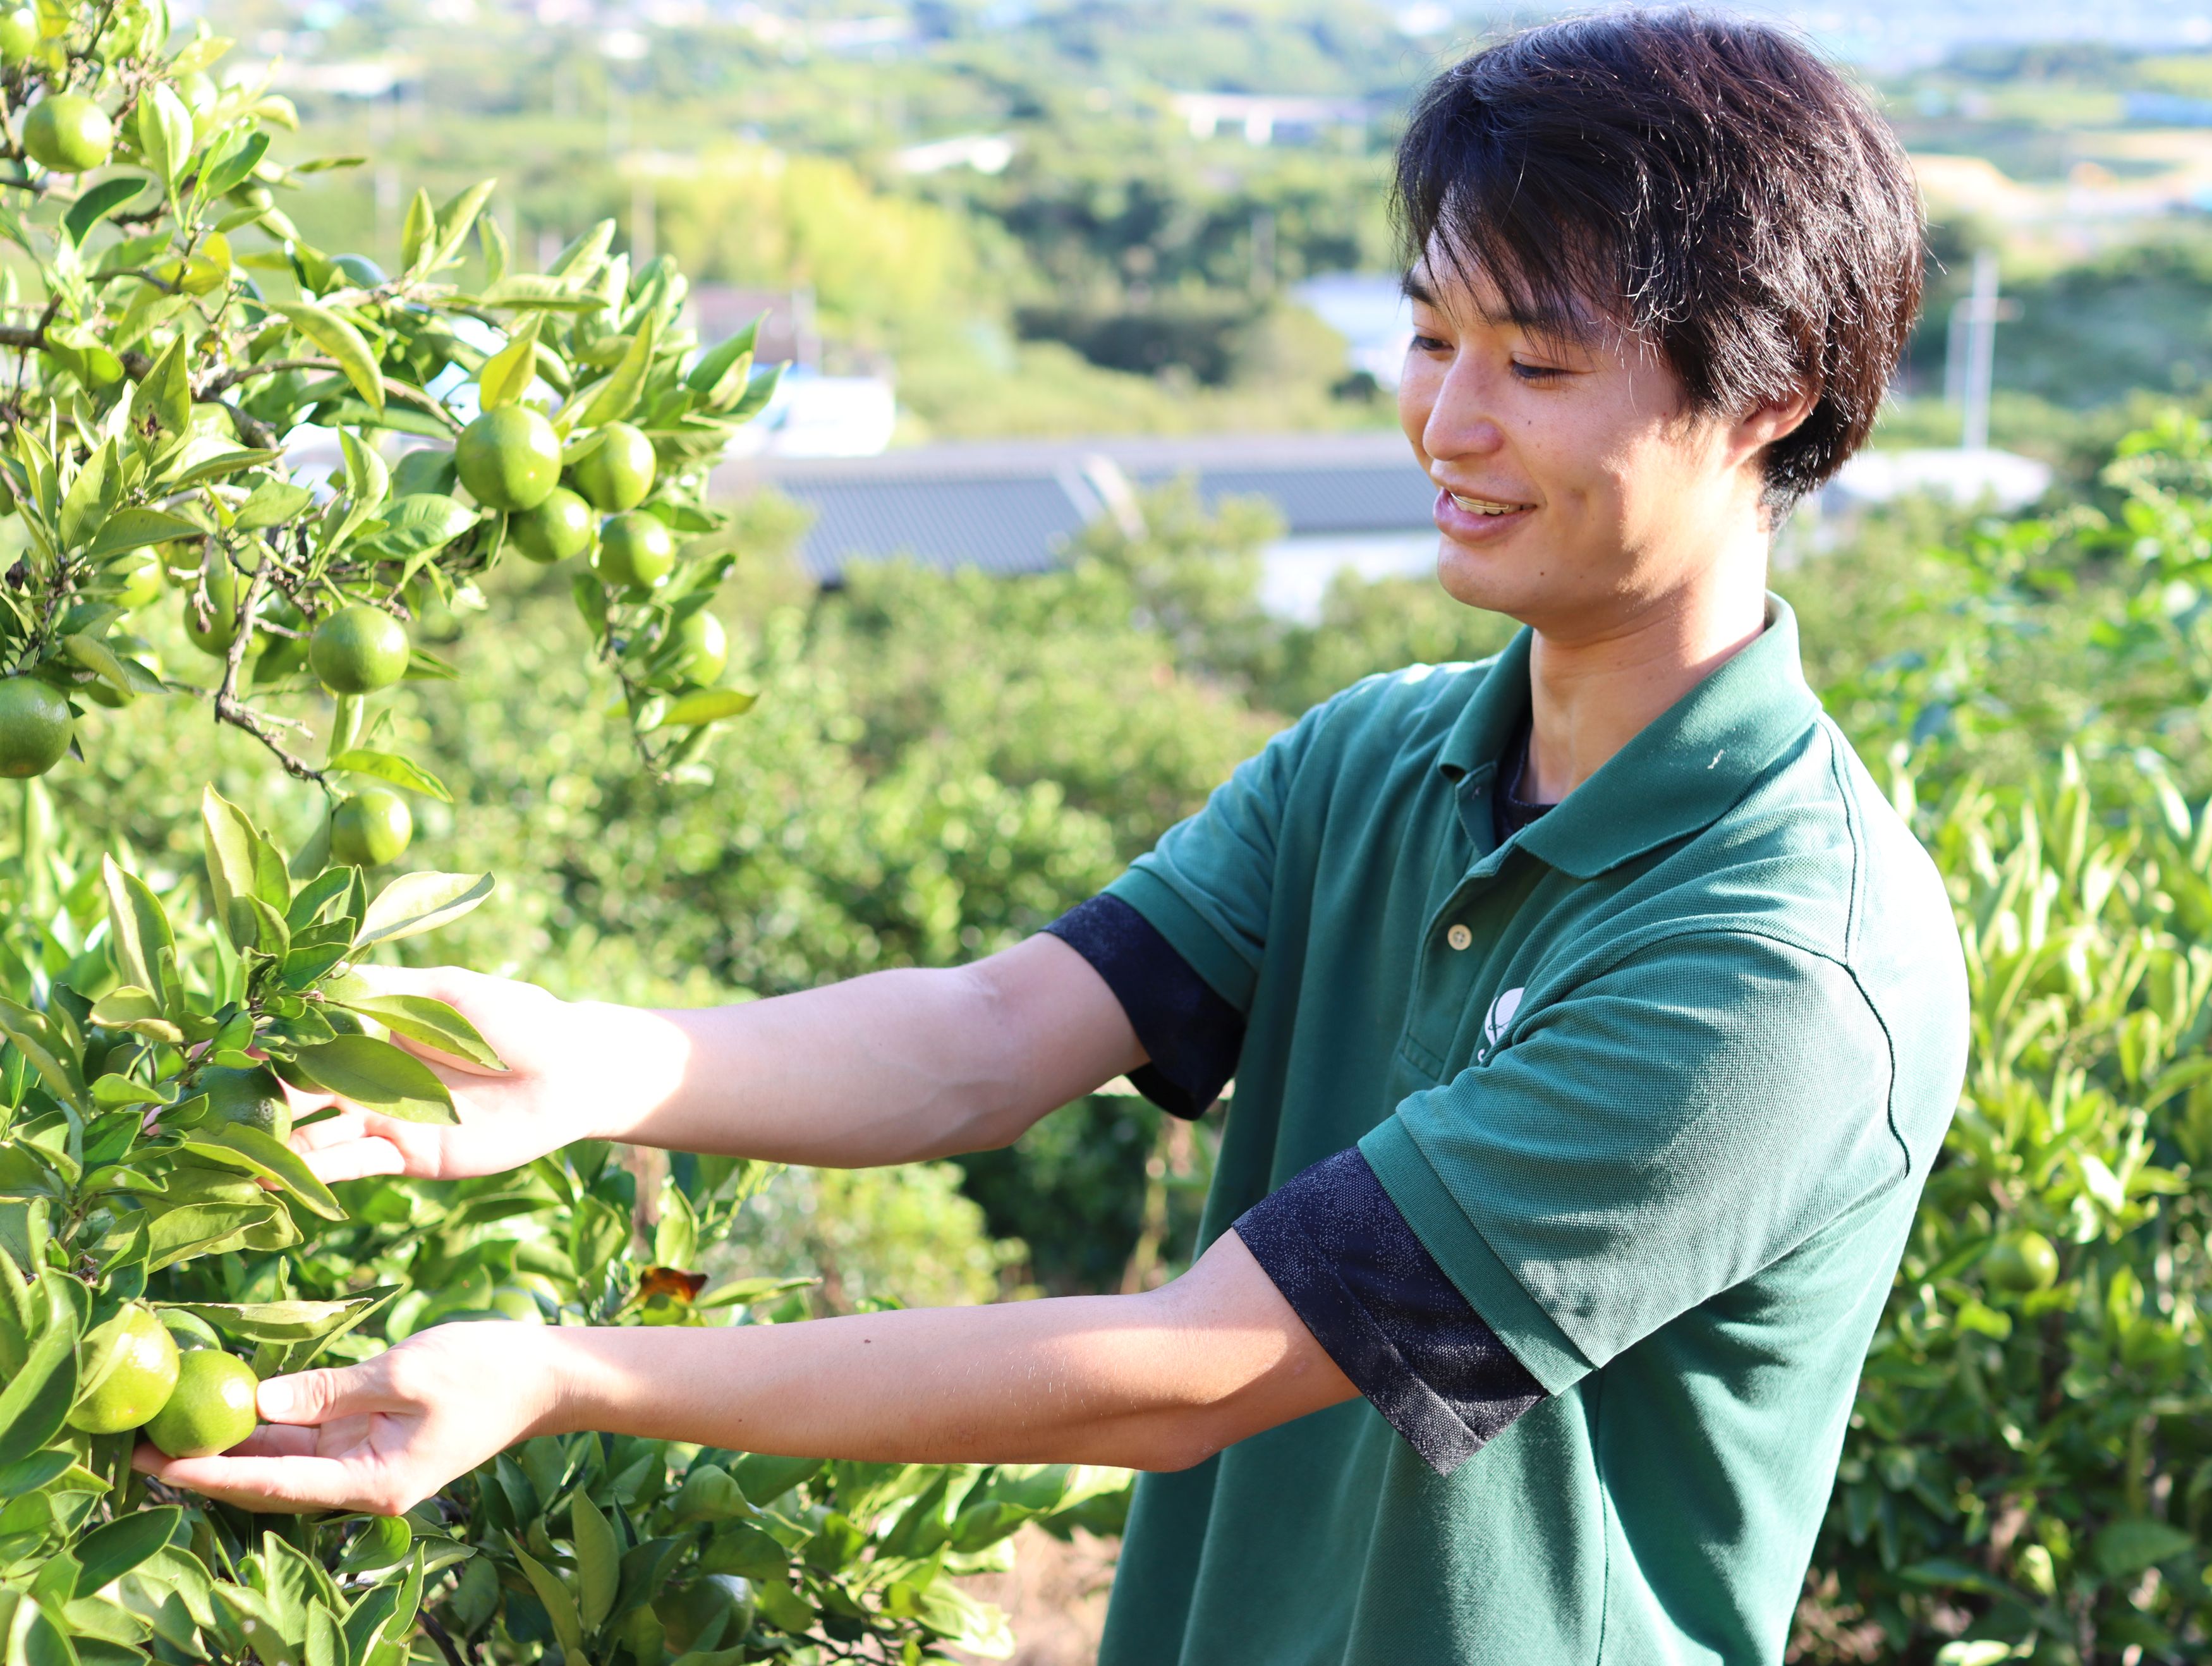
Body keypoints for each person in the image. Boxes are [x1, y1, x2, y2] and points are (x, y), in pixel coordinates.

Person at [146, 11, 1969, 1663]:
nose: (1446, 421)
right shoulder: (1382, 758)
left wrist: (569, 1372)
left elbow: (1187, 1370)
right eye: (1429, 339)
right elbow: (994, 1040)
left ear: (1769, 393)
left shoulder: (1772, 966)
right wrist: (585, 1062)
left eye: (1536, 367)